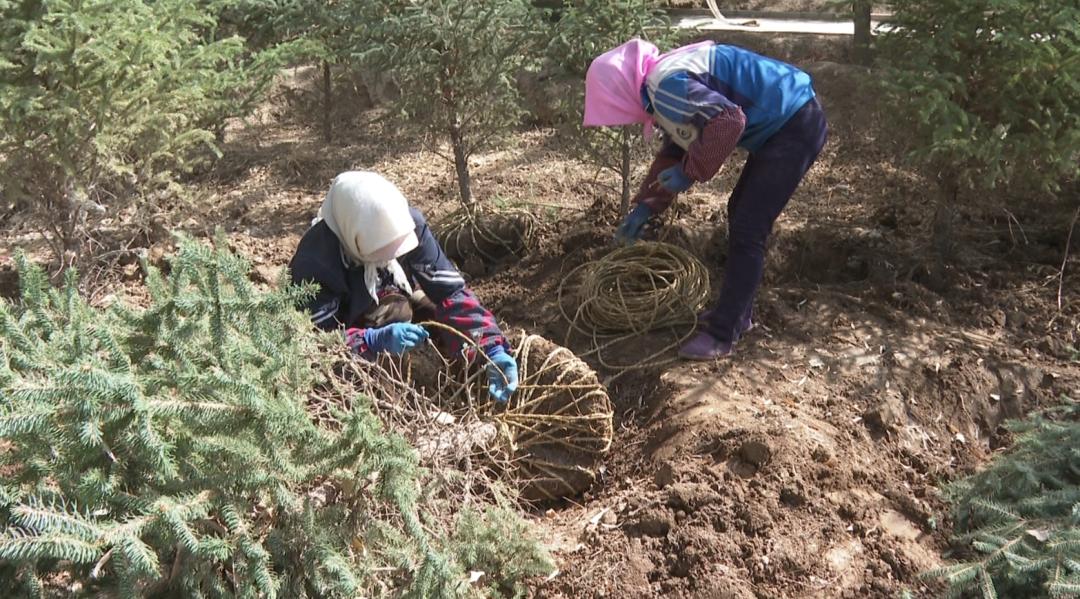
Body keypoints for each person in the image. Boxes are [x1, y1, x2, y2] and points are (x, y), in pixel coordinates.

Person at [582, 38, 828, 361]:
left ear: (618, 92)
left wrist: (691, 172)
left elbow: (729, 122)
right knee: (739, 211)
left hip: (795, 122)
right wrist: (646, 205)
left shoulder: (665, 86)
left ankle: (721, 336)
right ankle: (737, 315)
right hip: (790, 118)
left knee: (749, 227)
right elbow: (678, 144)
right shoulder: (662, 79)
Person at [289, 171, 518, 402]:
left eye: (395, 250)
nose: (390, 256)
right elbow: (316, 339)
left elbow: (450, 292)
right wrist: (370, 341)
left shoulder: (406, 225)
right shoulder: (314, 263)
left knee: (438, 318)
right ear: (354, 239)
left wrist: (491, 347)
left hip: (397, 289)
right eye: (379, 252)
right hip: (347, 321)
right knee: (352, 374)